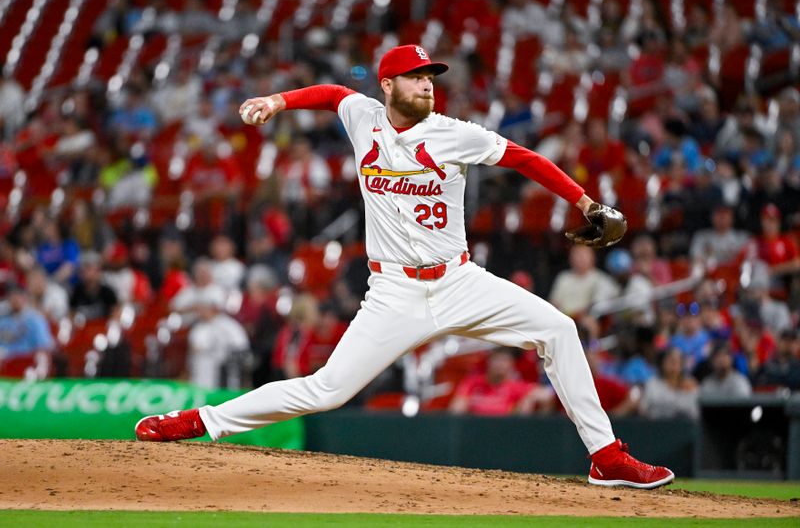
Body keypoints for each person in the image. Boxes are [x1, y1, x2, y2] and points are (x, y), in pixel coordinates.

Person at [136, 44, 674, 489]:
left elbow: (523, 158)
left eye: (430, 77)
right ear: (387, 86)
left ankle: (606, 457)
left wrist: (585, 203)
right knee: (328, 389)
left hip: (459, 280)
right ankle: (199, 421)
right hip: (394, 290)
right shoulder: (363, 116)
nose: (427, 85)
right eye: (415, 78)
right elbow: (332, 95)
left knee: (558, 329)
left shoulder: (453, 132)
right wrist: (279, 100)